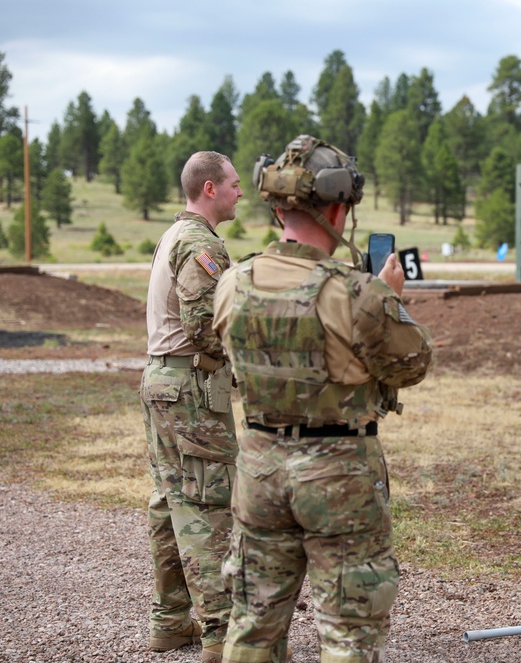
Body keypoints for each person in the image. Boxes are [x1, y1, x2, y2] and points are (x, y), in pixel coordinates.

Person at [213, 134, 433, 662]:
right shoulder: (355, 293)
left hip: (260, 467)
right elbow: (413, 364)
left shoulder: (232, 283)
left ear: (276, 205)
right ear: (338, 208)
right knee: (348, 631)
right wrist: (390, 301)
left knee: (252, 625)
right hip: (338, 477)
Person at [139, 151, 242, 662]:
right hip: (192, 385)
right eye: (234, 184)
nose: (240, 193)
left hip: (164, 380)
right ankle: (221, 633)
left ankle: (169, 620)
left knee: (168, 498)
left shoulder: (172, 236)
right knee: (206, 500)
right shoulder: (200, 243)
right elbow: (206, 327)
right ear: (210, 189)